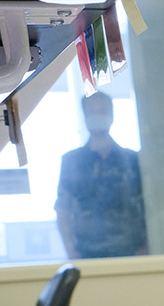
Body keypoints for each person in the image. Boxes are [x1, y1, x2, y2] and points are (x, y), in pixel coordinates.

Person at [55, 92, 149, 258]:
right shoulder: (72, 161)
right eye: (92, 111)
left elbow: (149, 204)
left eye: (103, 111)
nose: (97, 116)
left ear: (112, 115)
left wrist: (147, 246)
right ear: (85, 116)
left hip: (130, 253)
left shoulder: (132, 160)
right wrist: (71, 251)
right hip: (87, 254)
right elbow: (62, 209)